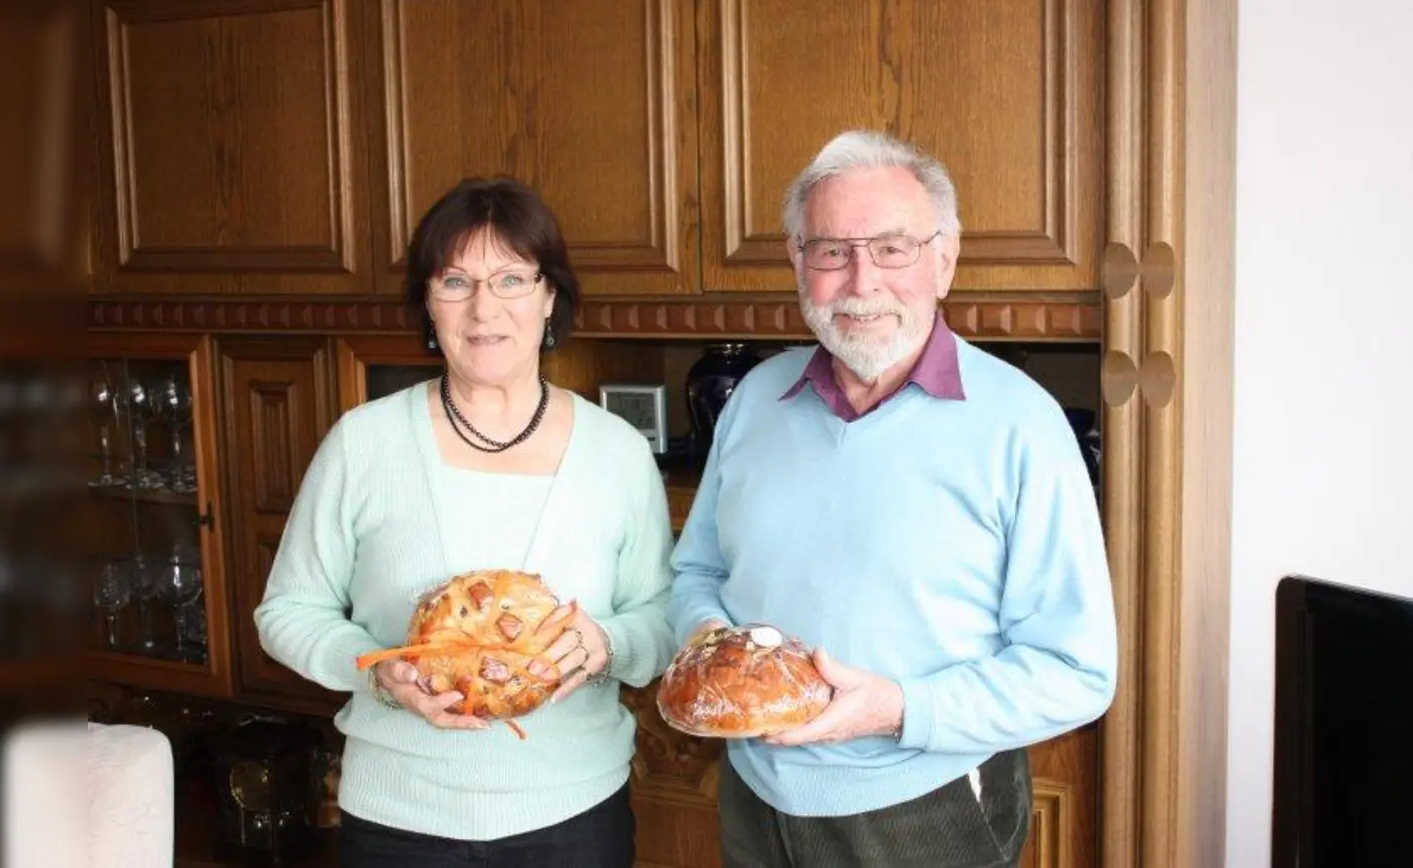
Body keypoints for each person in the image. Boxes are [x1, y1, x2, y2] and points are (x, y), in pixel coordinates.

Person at [668, 131, 1118, 868]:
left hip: (924, 808)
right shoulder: (753, 399)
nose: (860, 281)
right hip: (751, 794)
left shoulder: (1021, 425)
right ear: (797, 261)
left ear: (944, 259)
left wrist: (899, 709)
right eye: (832, 251)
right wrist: (717, 646)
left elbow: (1078, 672)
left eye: (892, 249)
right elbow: (696, 575)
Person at [254, 176, 676, 868]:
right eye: (456, 281)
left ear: (549, 298)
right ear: (428, 301)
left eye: (512, 278)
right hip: (397, 818)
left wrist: (605, 644)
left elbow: (660, 620)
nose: (485, 308)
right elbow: (288, 612)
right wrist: (376, 670)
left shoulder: (617, 453)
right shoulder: (364, 443)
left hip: (571, 816)